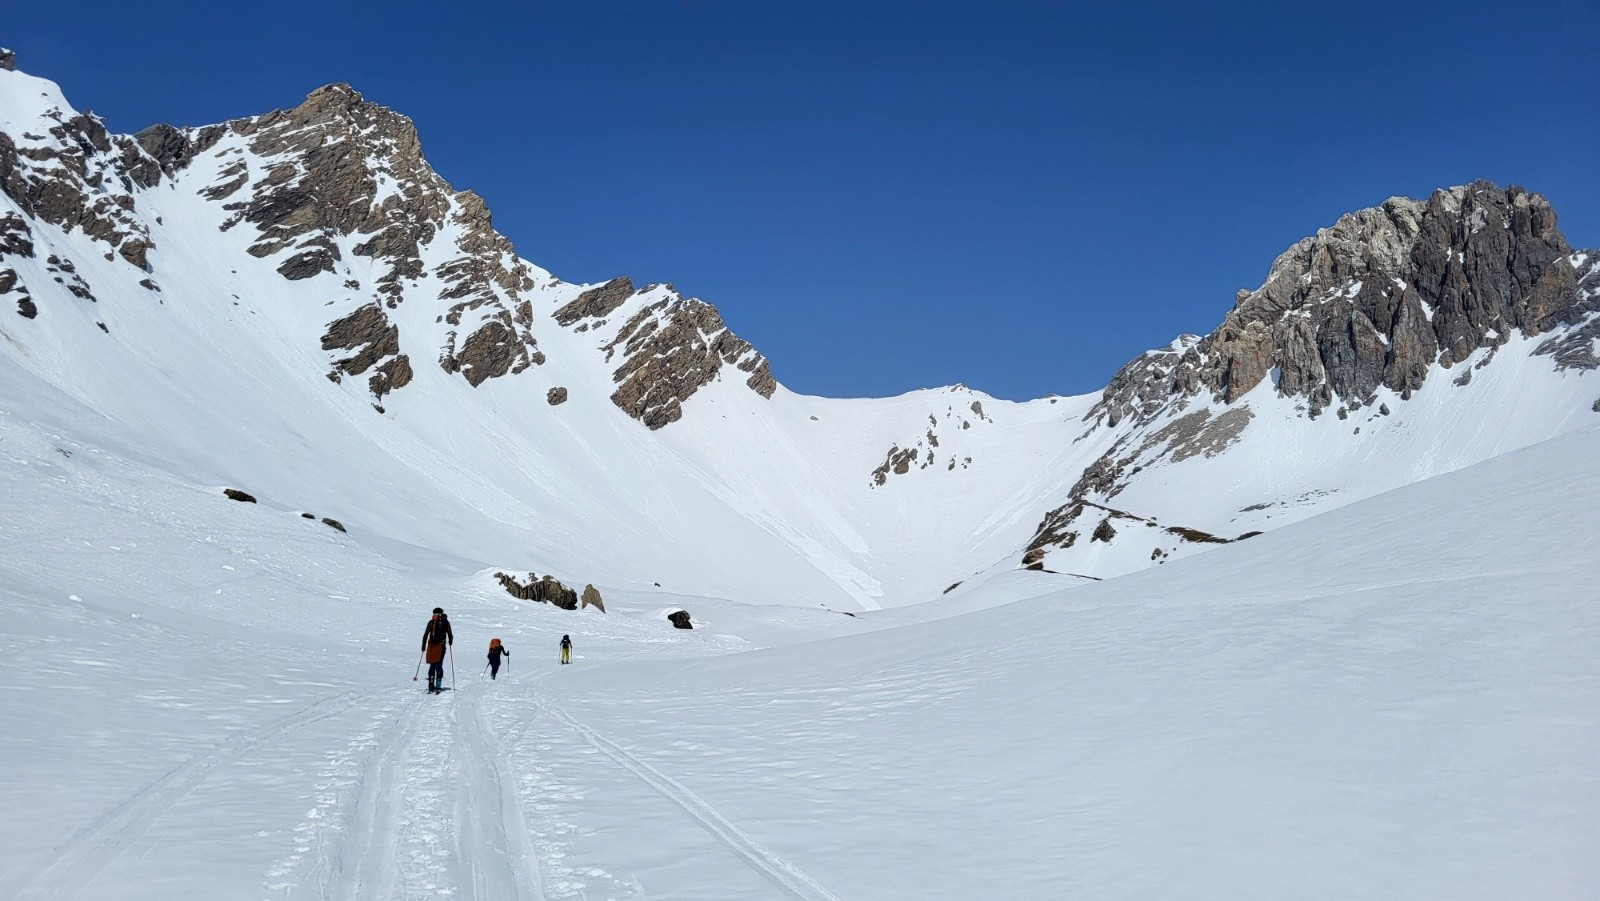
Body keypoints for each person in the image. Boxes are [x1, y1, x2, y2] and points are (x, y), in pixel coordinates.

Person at [421, 607, 453, 692]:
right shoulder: (446, 622)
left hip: (431, 647)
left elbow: (425, 635)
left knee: (432, 664)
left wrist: (423, 646)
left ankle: (431, 685)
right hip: (441, 646)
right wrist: (450, 642)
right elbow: (450, 634)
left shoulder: (431, 622)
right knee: (439, 664)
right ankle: (438, 685)